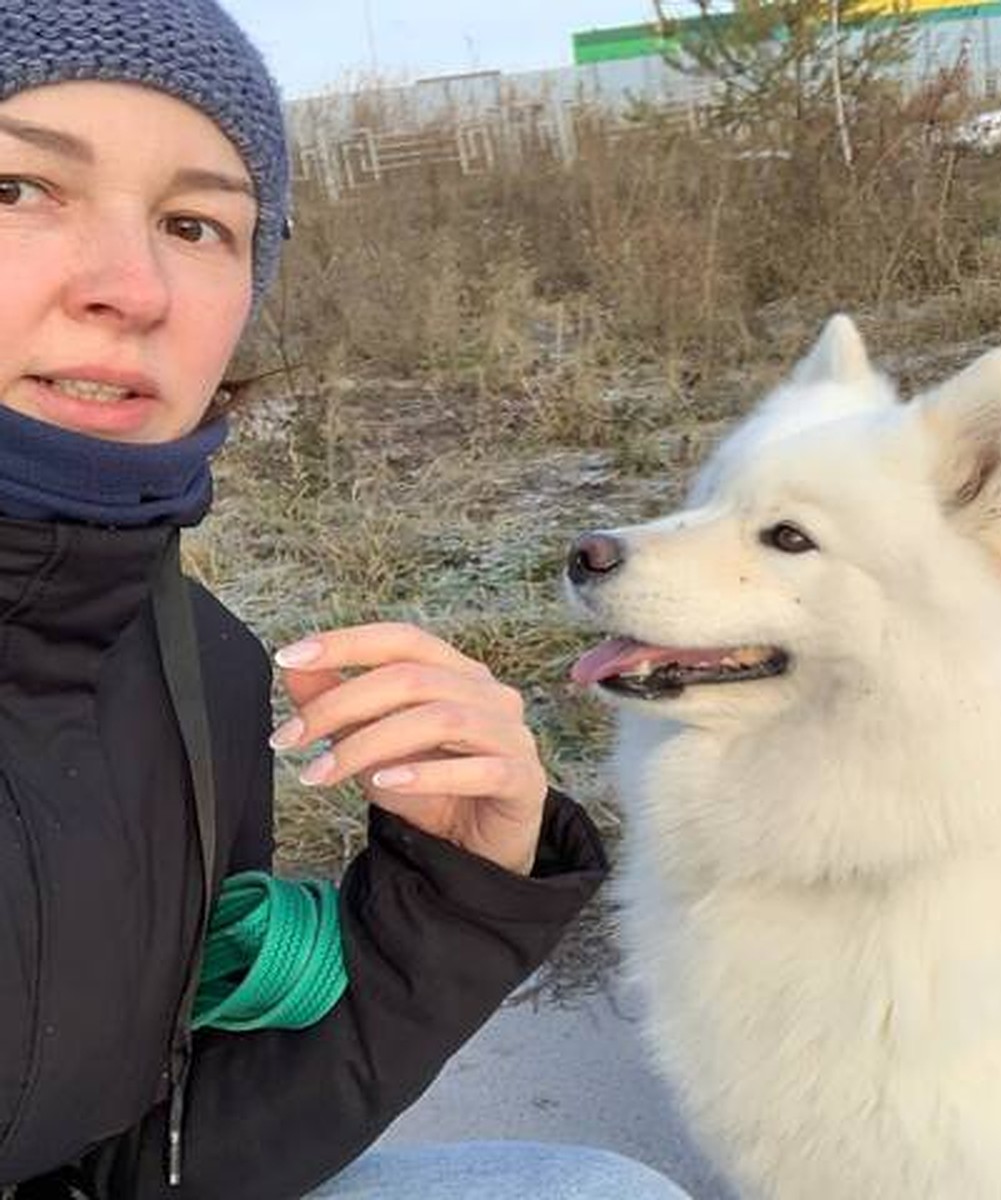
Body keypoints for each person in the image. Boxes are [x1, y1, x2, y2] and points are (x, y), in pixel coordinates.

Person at [0, 2, 692, 1198]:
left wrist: (449, 904)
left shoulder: (190, 662)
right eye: (16, 190)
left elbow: (146, 1169)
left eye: (195, 222)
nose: (134, 286)